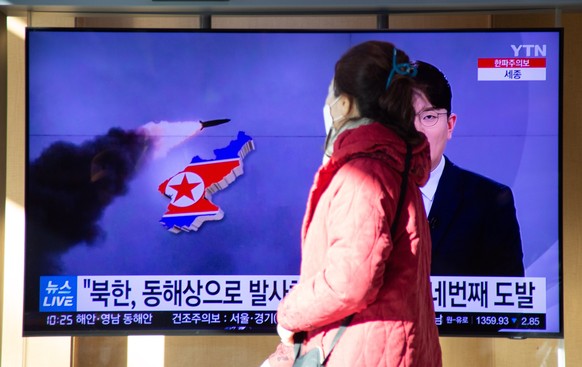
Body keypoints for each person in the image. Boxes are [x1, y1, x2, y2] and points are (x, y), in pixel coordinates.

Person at [261, 41, 441, 367]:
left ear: (345, 104)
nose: (327, 104)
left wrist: (288, 315)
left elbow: (350, 282)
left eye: (330, 94)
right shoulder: (396, 167)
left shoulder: (364, 173)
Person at [412, 60, 525, 276]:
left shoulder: (489, 201)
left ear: (450, 125)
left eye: (429, 117)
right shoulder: (364, 198)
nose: (416, 131)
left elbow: (508, 303)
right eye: (403, 117)